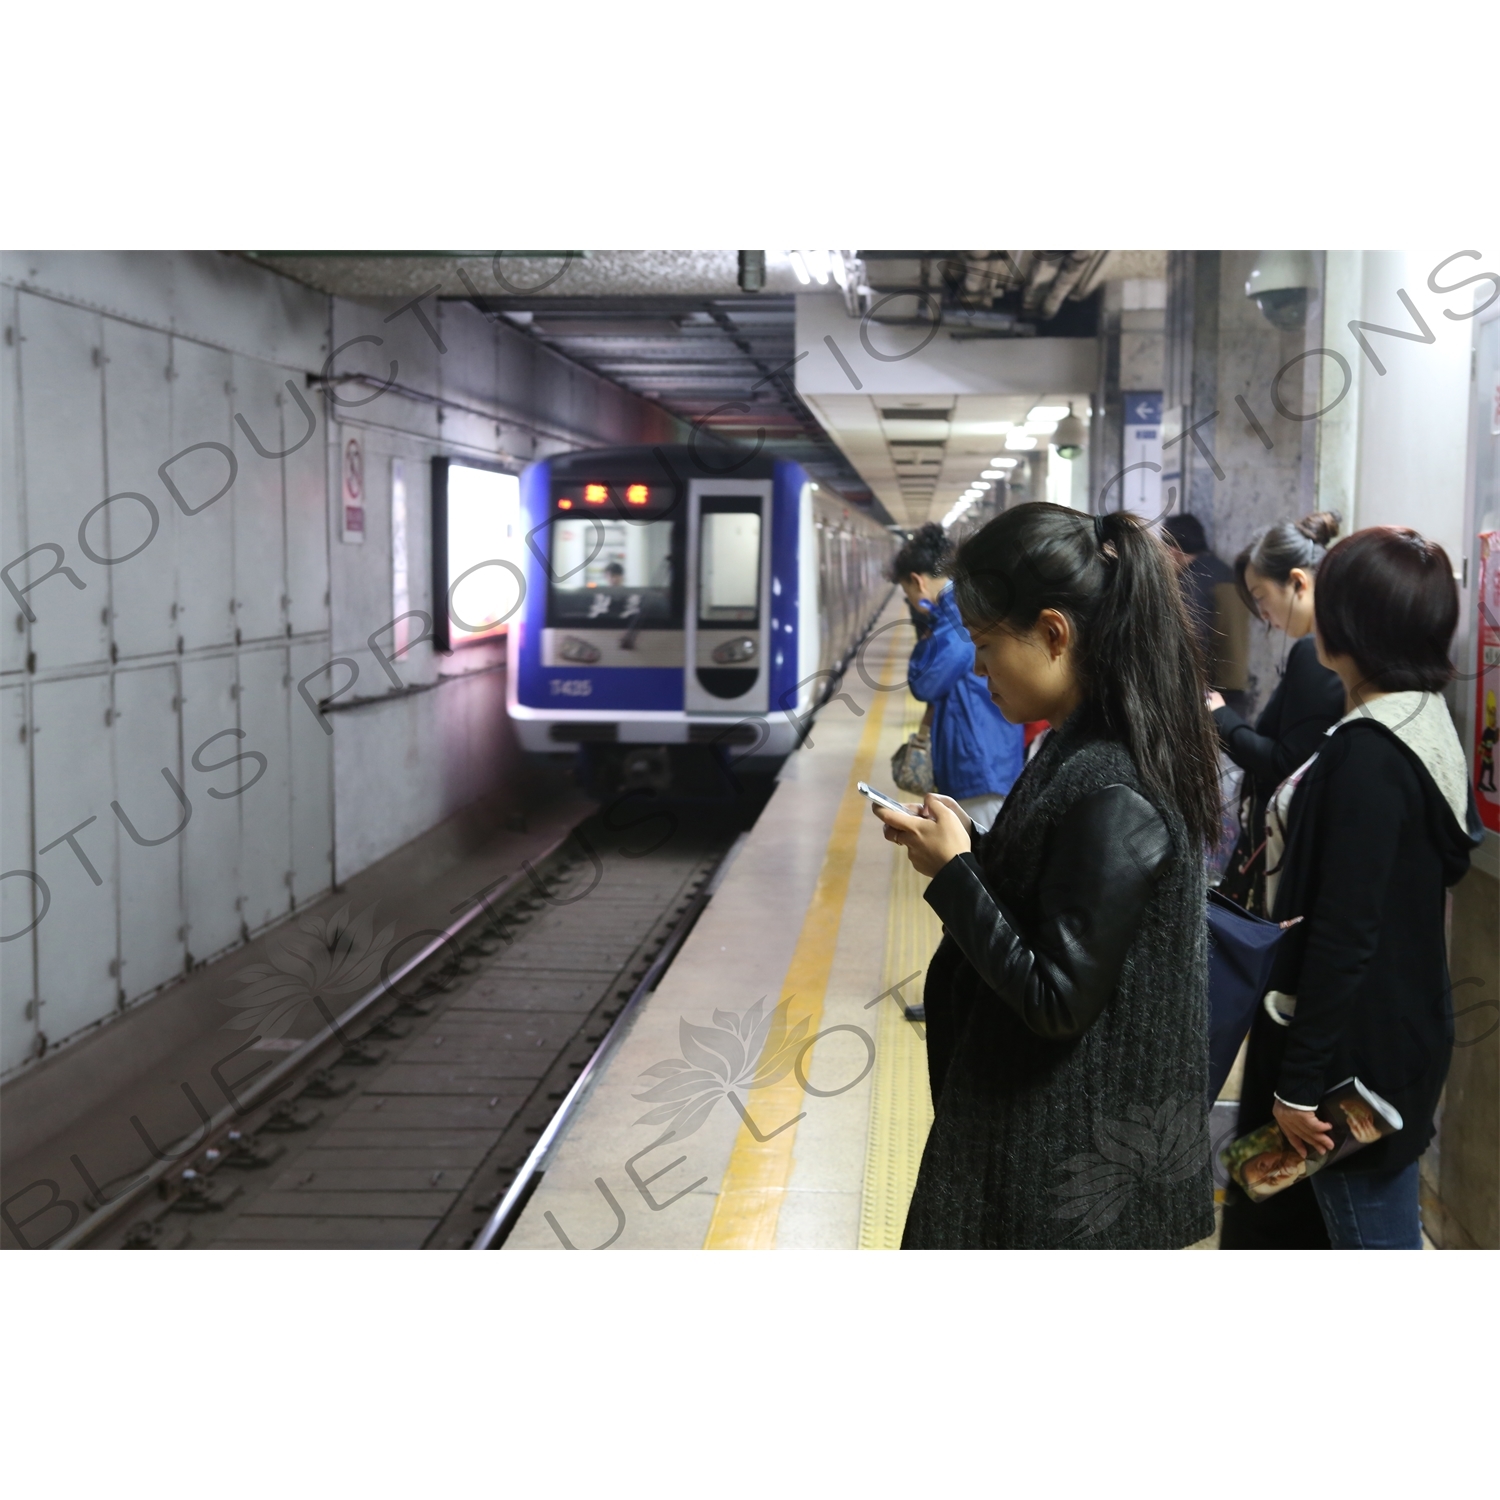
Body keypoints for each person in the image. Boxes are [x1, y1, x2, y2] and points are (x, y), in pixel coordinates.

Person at [874, 505, 1222, 1249]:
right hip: (1053, 1156)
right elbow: (1062, 887)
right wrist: (972, 845)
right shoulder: (1087, 746)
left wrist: (957, 874)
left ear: (1055, 634)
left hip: (1063, 1183)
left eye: (988, 643)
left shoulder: (1112, 784)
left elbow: (1056, 998)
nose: (977, 666)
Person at [1230, 527, 1482, 1251]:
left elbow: (1345, 933)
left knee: (1366, 1236)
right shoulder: (1420, 719)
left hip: (1348, 1064)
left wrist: (1299, 1085)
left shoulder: (1368, 755)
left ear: (1352, 625)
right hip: (1392, 1034)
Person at [1209, 512, 1347, 917]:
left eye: (1261, 595)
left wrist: (1219, 716)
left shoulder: (1317, 651)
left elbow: (1286, 761)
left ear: (1298, 582)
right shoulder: (1334, 644)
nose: (1262, 614)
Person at [893, 524, 1023, 831]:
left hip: (979, 765)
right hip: (981, 758)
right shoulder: (958, 609)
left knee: (981, 863)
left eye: (908, 594)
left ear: (918, 582)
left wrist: (924, 635)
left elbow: (925, 683)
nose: (912, 603)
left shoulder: (956, 616)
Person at [1163, 513, 1249, 712]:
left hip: (1209, 694)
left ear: (1173, 550)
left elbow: (1191, 641)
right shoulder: (1226, 572)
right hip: (1237, 685)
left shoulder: (1193, 581)